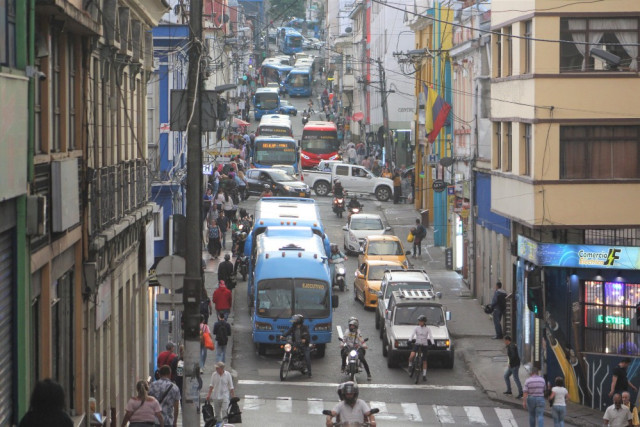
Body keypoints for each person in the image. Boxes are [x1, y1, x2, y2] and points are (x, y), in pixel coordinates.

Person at [408, 314, 434, 382]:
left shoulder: (428, 329)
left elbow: (431, 336)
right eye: (419, 321)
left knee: (424, 361)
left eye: (421, 321)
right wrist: (410, 340)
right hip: (417, 344)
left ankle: (424, 375)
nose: (420, 322)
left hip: (424, 345)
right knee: (412, 356)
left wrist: (433, 343)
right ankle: (410, 365)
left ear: (424, 322)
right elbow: (412, 335)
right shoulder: (416, 328)